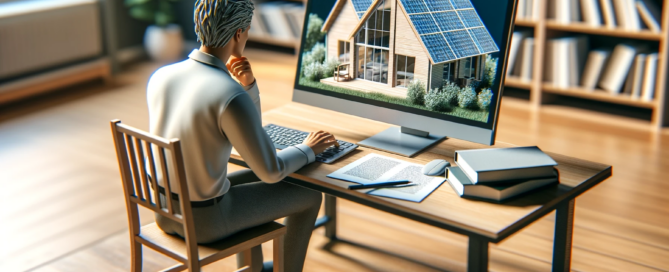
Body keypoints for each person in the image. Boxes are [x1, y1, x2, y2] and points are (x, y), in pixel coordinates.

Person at [146, 0, 338, 271]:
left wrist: (247, 87)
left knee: (255, 186)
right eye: (246, 30)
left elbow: (252, 139)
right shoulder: (227, 93)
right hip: (205, 221)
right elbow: (270, 171)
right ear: (238, 34)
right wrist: (309, 148)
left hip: (165, 211)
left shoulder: (161, 76)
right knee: (309, 194)